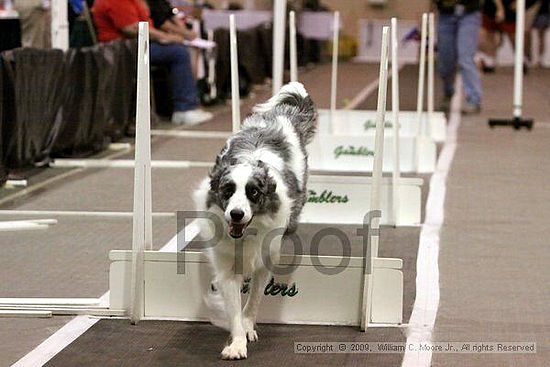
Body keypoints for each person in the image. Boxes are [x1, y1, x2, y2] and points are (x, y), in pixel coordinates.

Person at [92, 0, 213, 125]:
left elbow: (146, 23)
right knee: (179, 53)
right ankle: (184, 108)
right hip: (123, 50)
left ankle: (189, 103)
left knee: (181, 49)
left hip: (138, 44)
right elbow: (132, 28)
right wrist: (166, 37)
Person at [435, 0, 483, 114]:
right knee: (445, 61)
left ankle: (474, 99)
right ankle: (448, 91)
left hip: (469, 13)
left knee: (466, 58)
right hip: (445, 15)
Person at [478, 0, 541, 73]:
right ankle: (489, 60)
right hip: (490, 10)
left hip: (510, 11)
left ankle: (522, 58)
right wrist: (499, 8)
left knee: (516, 36)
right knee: (485, 34)